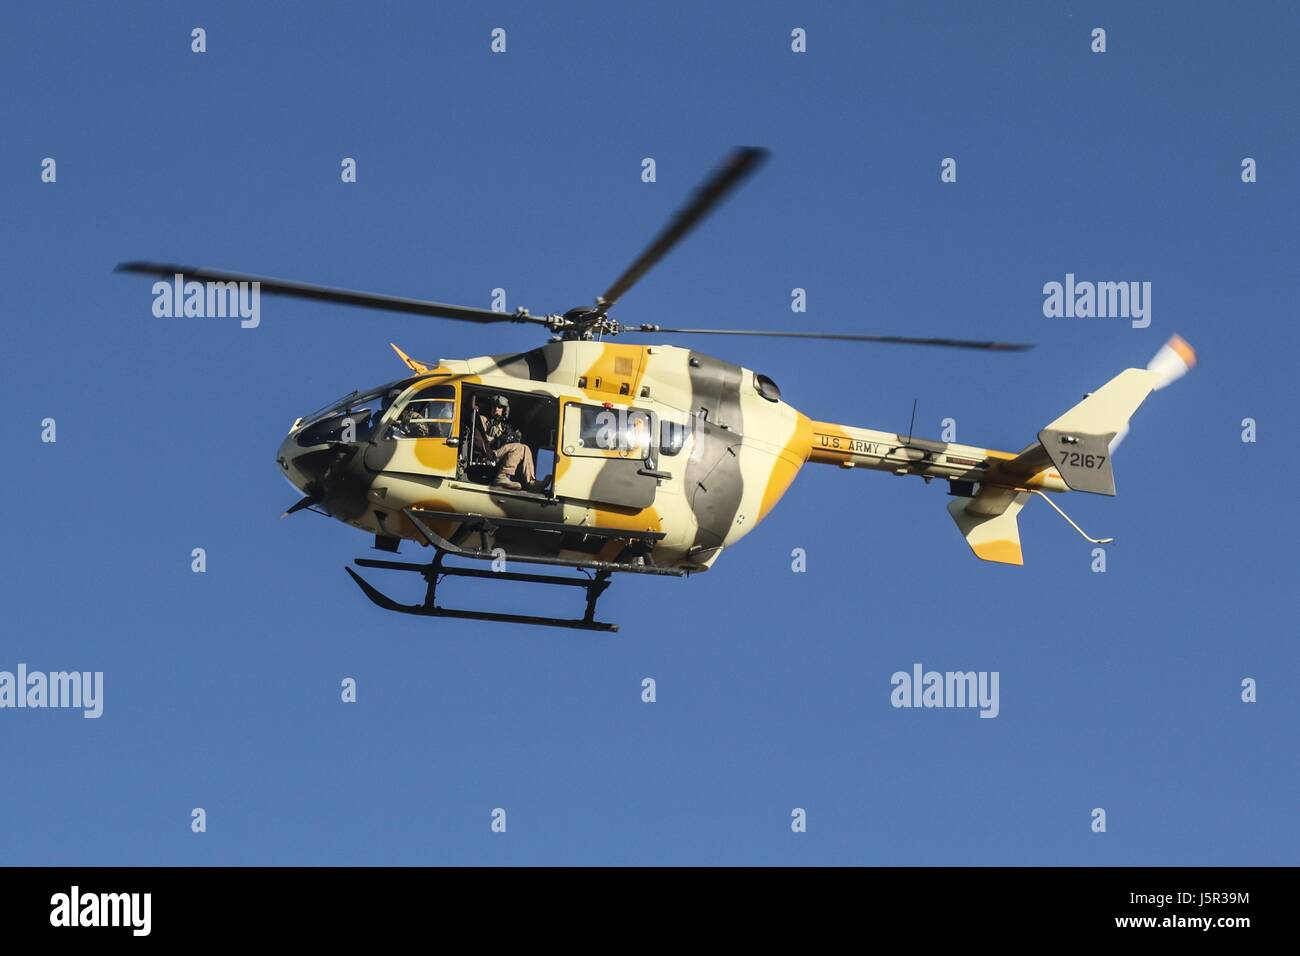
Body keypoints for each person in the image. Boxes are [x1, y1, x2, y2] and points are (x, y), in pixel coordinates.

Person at [479, 395, 545, 492]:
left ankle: (530, 482)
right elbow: (483, 439)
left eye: (500, 407)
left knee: (525, 448)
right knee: (518, 448)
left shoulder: (505, 426)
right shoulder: (483, 419)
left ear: (504, 410)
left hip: (503, 453)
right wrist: (497, 439)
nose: (496, 409)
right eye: (494, 406)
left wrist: (509, 438)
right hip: (490, 452)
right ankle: (502, 476)